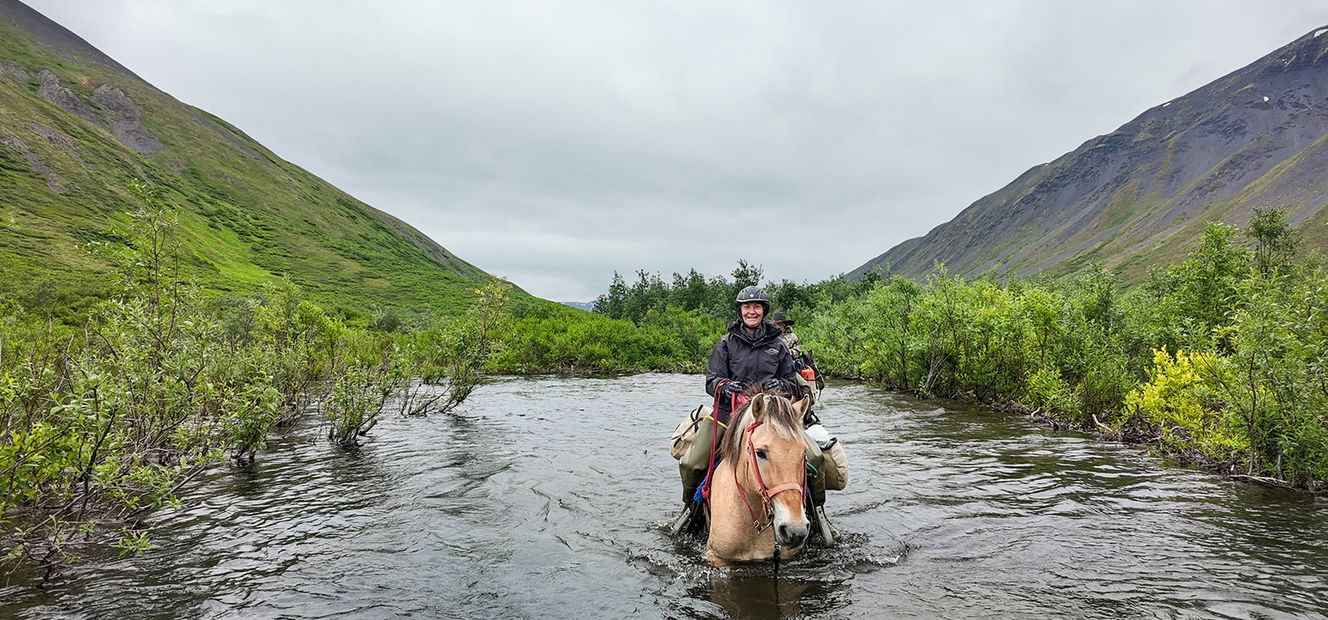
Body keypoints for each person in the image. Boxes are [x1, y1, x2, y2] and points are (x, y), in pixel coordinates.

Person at [704, 286, 799, 425]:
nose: (752, 312)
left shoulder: (778, 345)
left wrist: (781, 385)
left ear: (763, 310)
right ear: (740, 311)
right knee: (701, 446)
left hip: (770, 411)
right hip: (730, 411)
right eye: (747, 307)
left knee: (803, 442)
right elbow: (711, 381)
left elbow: (791, 383)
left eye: (757, 307)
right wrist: (725, 388)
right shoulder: (725, 343)